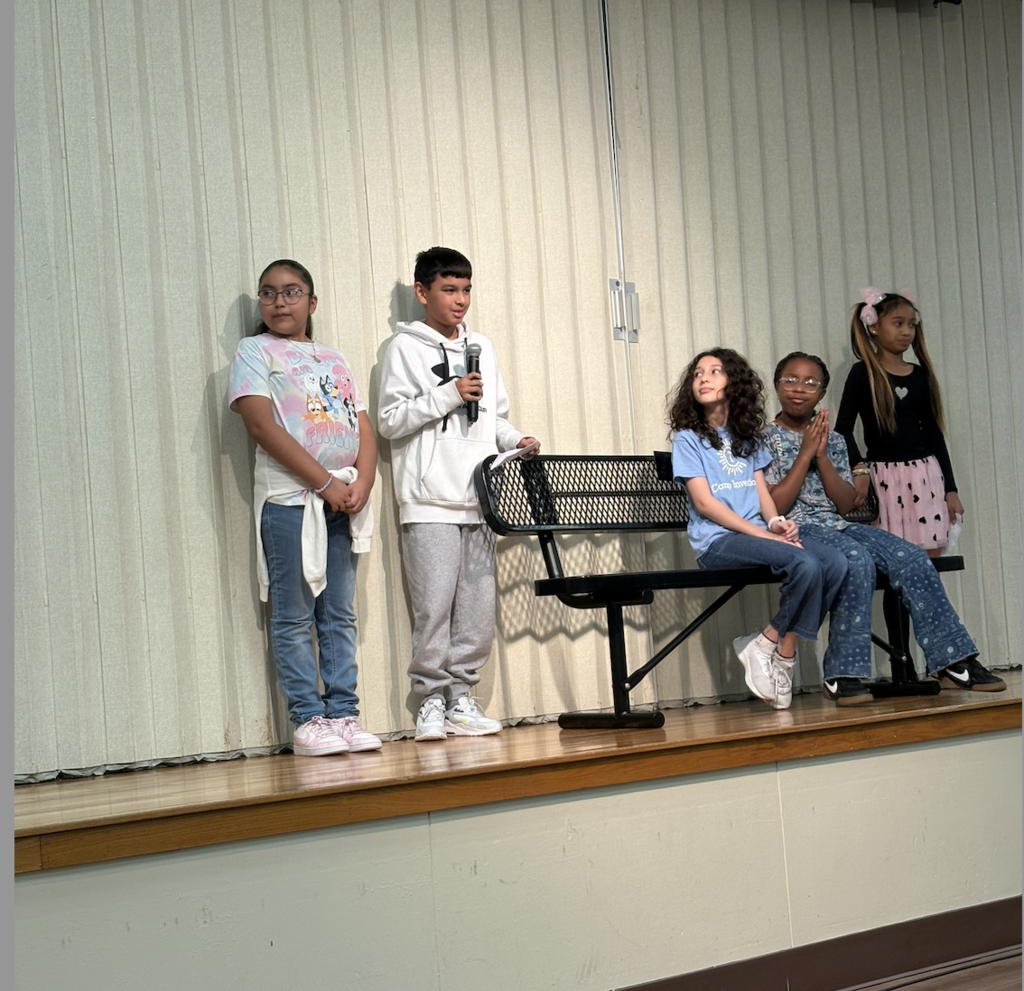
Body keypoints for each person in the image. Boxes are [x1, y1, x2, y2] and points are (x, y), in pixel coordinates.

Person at [765, 351, 1005, 704]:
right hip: (794, 529)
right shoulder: (761, 439)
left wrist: (822, 456)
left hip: (836, 525)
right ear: (776, 385)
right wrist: (804, 455)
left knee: (911, 557)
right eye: (791, 380)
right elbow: (776, 505)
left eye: (811, 383)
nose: (800, 388)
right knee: (856, 560)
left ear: (823, 393)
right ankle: (842, 674)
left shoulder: (833, 439)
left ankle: (953, 661)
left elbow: (845, 505)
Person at [377, 247, 539, 742]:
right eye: (449, 289)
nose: (460, 299)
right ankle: (430, 698)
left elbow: (494, 417)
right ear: (422, 292)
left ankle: (461, 698)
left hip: (480, 498)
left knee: (476, 608)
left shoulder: (482, 347)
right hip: (429, 500)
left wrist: (515, 440)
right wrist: (450, 393)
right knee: (434, 606)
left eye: (466, 289)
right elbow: (390, 421)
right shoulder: (403, 349)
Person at [229, 260, 383, 756]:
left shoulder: (334, 356)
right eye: (268, 293)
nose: (279, 302)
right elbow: (260, 424)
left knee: (338, 614)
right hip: (291, 501)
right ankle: (308, 719)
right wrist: (322, 482)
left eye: (291, 292)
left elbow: (362, 425)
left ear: (312, 302)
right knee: (294, 616)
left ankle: (343, 714)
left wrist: (363, 482)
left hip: (342, 500)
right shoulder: (254, 351)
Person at [669, 348, 847, 711]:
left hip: (755, 535)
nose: (703, 379)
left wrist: (776, 522)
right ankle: (770, 646)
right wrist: (764, 535)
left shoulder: (747, 437)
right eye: (698, 373)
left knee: (834, 563)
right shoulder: (688, 439)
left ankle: (777, 649)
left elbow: (761, 491)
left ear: (734, 383)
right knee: (805, 563)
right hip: (718, 541)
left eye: (714, 371)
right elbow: (705, 505)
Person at [835, 289, 962, 557]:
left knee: (928, 560)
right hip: (882, 480)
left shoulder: (920, 376)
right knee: (887, 560)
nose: (906, 331)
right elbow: (843, 429)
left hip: (924, 478)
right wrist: (859, 469)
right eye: (898, 323)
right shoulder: (862, 374)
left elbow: (934, 434)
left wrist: (950, 490)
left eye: (911, 325)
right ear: (873, 327)